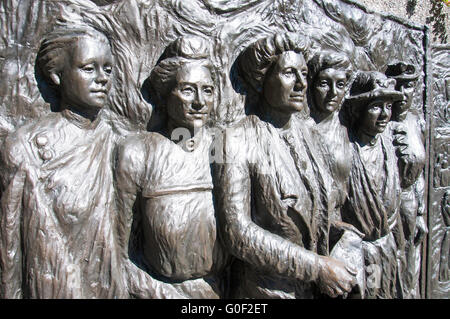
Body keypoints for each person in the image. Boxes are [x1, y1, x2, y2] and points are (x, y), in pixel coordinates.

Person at [214, 32, 358, 299]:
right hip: (266, 292)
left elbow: (308, 204)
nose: (302, 84)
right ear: (262, 80)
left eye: (304, 73)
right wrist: (317, 268)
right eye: (289, 73)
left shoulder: (308, 134)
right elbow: (237, 232)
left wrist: (332, 227)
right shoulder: (234, 140)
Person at [0, 23, 126, 298]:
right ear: (58, 75)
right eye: (89, 68)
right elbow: (9, 246)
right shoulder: (26, 146)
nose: (102, 78)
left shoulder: (117, 141)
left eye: (108, 69)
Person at [114, 35, 229, 299]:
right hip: (159, 292)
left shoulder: (222, 147)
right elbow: (119, 252)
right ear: (165, 96)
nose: (199, 101)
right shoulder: (136, 152)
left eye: (207, 90)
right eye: (187, 90)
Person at [341, 71, 406, 299]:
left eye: (388, 107)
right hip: (358, 256)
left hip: (386, 252)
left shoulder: (388, 146)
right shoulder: (345, 151)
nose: (384, 116)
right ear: (359, 110)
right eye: (376, 107)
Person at [385, 62, 428, 298]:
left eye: (409, 86)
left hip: (410, 203)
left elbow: (420, 172)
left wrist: (421, 212)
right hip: (386, 206)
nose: (403, 93)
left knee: (411, 263)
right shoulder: (380, 123)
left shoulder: (416, 122)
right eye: (398, 86)